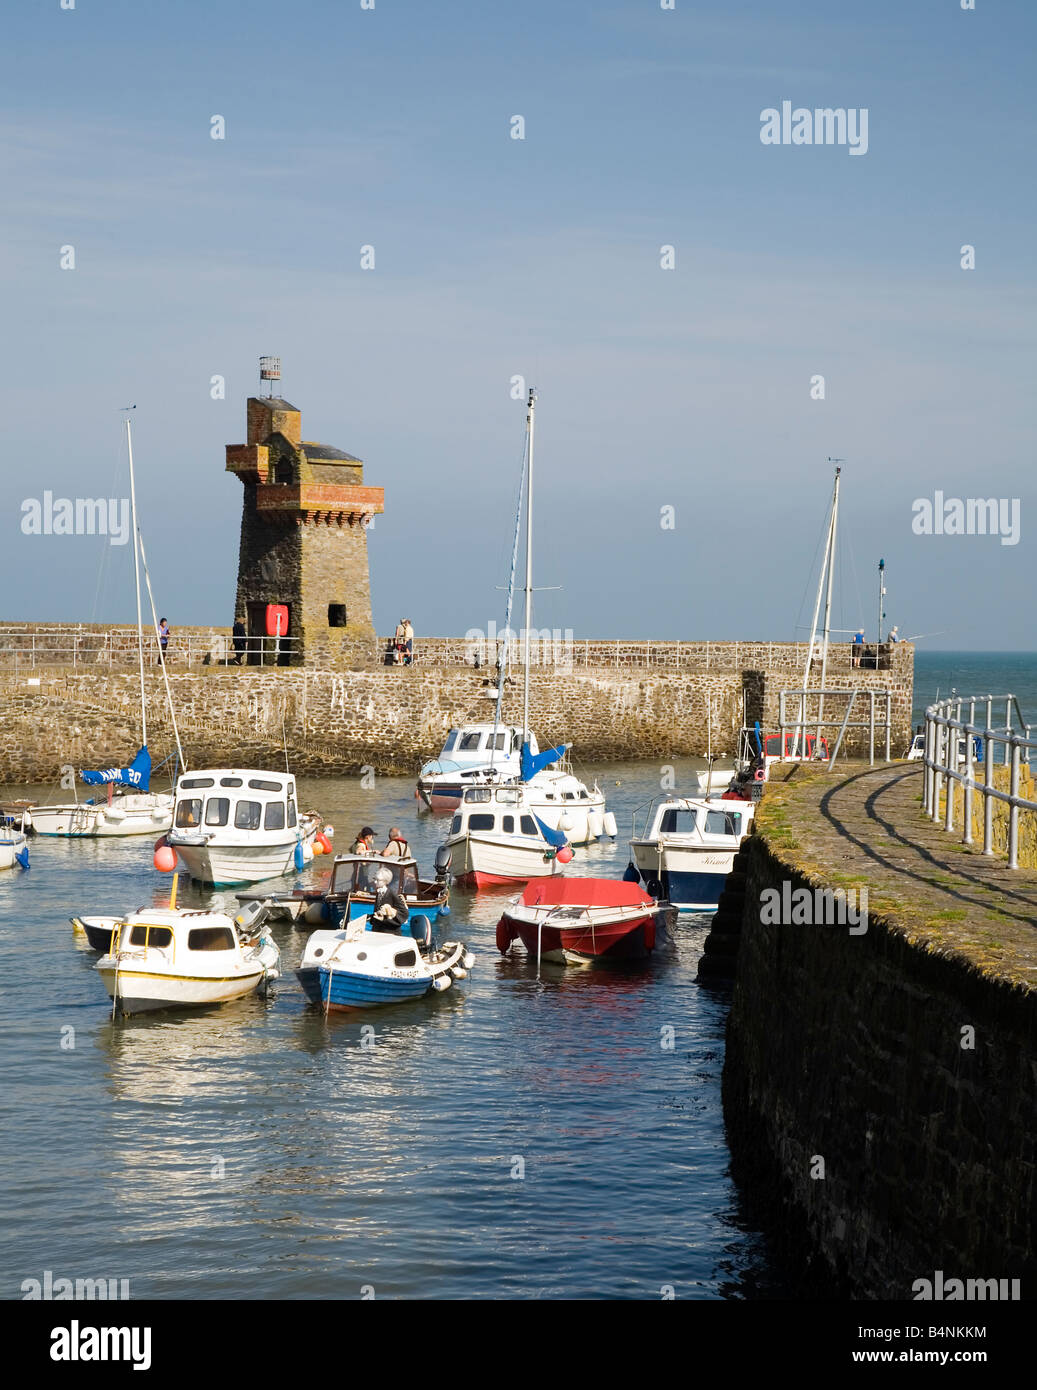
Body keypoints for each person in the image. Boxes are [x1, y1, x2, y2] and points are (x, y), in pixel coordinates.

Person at [368, 866, 409, 933]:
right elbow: (377, 910)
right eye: (374, 879)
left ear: (385, 881)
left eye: (377, 880)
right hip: (378, 930)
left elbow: (404, 913)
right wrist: (371, 917)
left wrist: (386, 919)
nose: (375, 882)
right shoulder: (379, 893)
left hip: (390, 932)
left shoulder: (392, 894)